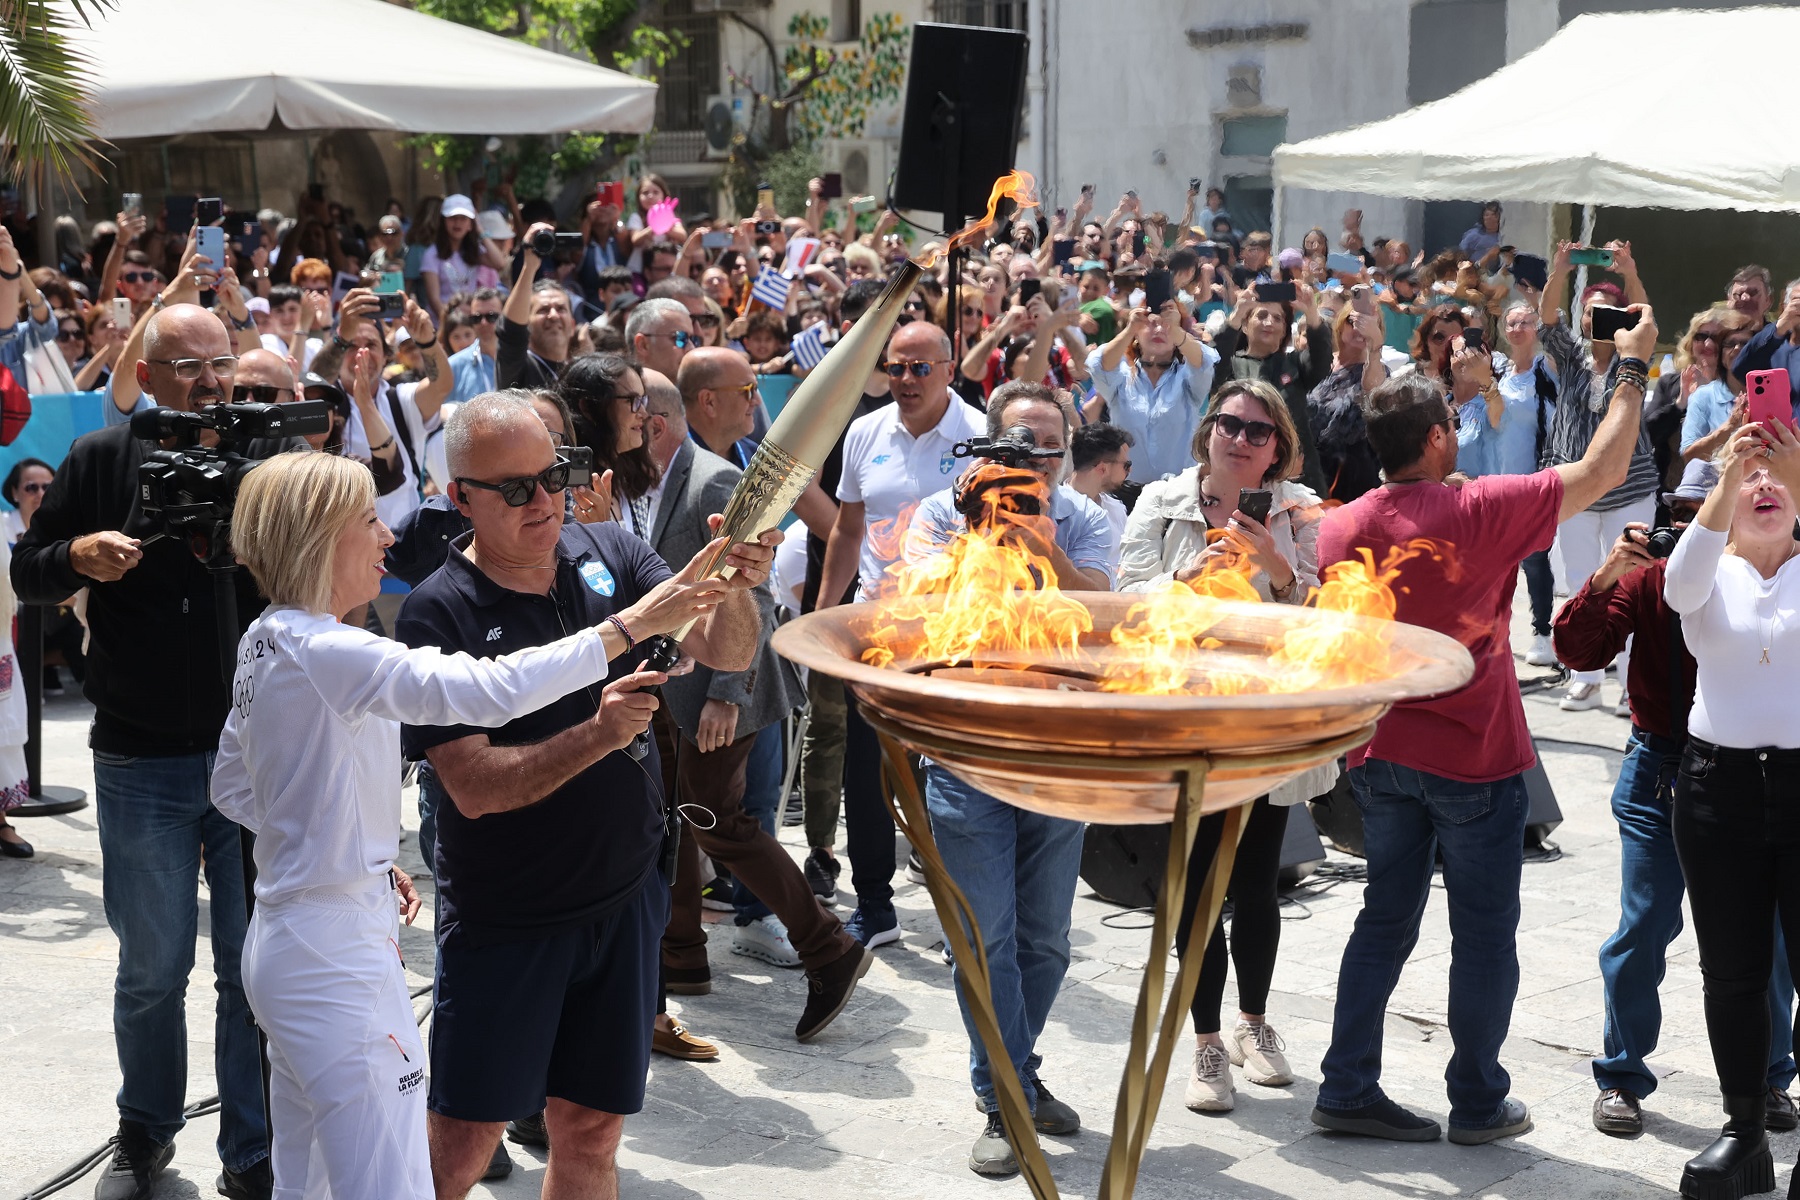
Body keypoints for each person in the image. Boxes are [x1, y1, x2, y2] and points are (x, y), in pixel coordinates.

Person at [212, 450, 726, 1200]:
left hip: (290, 938)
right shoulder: (331, 648)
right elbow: (491, 692)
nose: (386, 539)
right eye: (366, 522)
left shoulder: (265, 639)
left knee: (308, 1184)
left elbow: (233, 783)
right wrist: (630, 627)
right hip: (335, 957)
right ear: (321, 539)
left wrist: (340, 844)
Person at [394, 392, 785, 1200]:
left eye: (553, 476)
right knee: (459, 1150)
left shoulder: (607, 545)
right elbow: (470, 788)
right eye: (514, 489)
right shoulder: (439, 610)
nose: (544, 501)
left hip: (624, 900)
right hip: (510, 919)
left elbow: (727, 644)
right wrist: (600, 735)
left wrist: (739, 582)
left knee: (592, 1133)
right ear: (458, 497)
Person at [1309, 306, 1659, 1145]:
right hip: (1475, 760)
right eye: (1453, 423)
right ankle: (1475, 1101)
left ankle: (1346, 1085)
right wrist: (1634, 366)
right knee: (1483, 937)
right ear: (1435, 440)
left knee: (1383, 921)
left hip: (1382, 755)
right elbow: (1608, 464)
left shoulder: (1342, 526)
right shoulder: (1484, 509)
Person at [11, 303, 310, 1200]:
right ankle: (145, 1129)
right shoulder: (103, 459)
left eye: (221, 364)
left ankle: (251, 1151)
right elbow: (29, 569)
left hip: (252, 757)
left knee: (249, 968)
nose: (211, 382)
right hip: (140, 758)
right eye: (188, 367)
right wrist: (78, 554)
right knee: (152, 967)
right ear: (147, 371)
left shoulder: (263, 464)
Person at [1552, 459, 1799, 1142]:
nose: (1696, 527)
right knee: (1644, 925)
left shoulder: (1771, 580)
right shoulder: (1657, 579)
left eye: (1709, 513)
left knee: (1770, 939)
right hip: (1662, 769)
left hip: (1752, 778)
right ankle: (1622, 1076)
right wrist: (1605, 576)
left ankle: (1771, 1078)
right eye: (1685, 514)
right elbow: (1576, 651)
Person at [903, 382, 1110, 1176]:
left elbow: (1105, 613)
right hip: (965, 753)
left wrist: (1038, 539)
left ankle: (1012, 1072)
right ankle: (1003, 1098)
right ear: (985, 448)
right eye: (1013, 447)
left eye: (1045, 450)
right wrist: (975, 532)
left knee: (1046, 943)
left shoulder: (1086, 516)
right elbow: (913, 612)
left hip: (1059, 756)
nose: (1028, 464)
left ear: (1064, 455)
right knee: (983, 945)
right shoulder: (936, 512)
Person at [1117, 378, 1334, 1114]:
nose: (1241, 439)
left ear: (1278, 449)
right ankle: (1206, 1043)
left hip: (1262, 721)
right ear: (1208, 430)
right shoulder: (1161, 500)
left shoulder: (1299, 507)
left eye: (1259, 431)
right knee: (1196, 885)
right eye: (1230, 424)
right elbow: (1126, 598)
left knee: (1258, 881)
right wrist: (1184, 579)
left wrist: (1276, 571)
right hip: (1186, 718)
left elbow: (1319, 614)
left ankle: (1255, 1025)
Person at [648, 367, 868, 1025]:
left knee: (718, 818)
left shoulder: (713, 479)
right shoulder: (649, 482)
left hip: (725, 684)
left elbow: (755, 591)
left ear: (652, 419)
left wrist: (725, 693)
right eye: (746, 392)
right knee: (677, 810)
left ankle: (828, 947)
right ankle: (681, 950)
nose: (756, 403)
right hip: (675, 687)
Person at [1663, 418, 1800, 1200]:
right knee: (1733, 974)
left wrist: (1793, 468)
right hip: (1717, 792)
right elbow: (1678, 586)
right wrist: (1725, 477)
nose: (1763, 484)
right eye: (1748, 476)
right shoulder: (1708, 571)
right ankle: (1743, 1132)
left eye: (1776, 472)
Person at [817, 320, 986, 947]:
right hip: (878, 631)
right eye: (896, 368)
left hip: (956, 635)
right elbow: (846, 530)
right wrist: (823, 614)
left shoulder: (978, 435)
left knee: (950, 776)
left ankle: (960, 911)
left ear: (949, 369)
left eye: (921, 368)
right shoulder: (864, 432)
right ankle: (874, 905)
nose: (907, 381)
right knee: (867, 773)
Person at [1538, 242, 1660, 713]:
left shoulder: (1635, 355)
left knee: (1632, 584)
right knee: (1582, 582)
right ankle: (1586, 677)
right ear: (1583, 319)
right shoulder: (1571, 358)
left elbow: (1647, 316)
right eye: (1591, 313)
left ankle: (1633, 686)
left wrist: (1629, 271)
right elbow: (1548, 317)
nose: (1599, 320)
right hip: (1575, 490)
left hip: (1629, 490)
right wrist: (1561, 269)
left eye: (1609, 312)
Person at [1459, 301, 1560, 667]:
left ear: (1537, 327)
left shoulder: (1546, 369)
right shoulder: (1497, 368)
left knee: (1534, 560)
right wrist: (1484, 378)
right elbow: (1495, 419)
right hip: (1495, 473)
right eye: (1512, 322)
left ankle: (1542, 631)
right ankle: (1493, 628)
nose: (1518, 328)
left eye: (1526, 322)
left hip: (1531, 474)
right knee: (1494, 561)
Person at [1084, 300, 1220, 485]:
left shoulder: (1186, 378)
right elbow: (1099, 364)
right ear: (1136, 335)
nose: (1158, 330)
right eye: (1150, 323)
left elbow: (1204, 361)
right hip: (1125, 489)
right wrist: (1129, 329)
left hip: (1178, 491)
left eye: (1166, 325)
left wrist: (1176, 330)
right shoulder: (1122, 377)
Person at [1215, 281, 1330, 493]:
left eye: (1277, 319)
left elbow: (1322, 360)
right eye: (1261, 316)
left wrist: (1311, 312)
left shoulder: (1295, 364)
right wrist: (1237, 313)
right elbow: (1213, 362)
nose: (1269, 322)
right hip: (1242, 471)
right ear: (1246, 325)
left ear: (1284, 330)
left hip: (1297, 475)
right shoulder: (1230, 365)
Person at [1308, 302, 1388, 504]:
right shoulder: (1320, 362)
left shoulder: (1377, 370)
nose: (1360, 330)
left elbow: (1373, 389)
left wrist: (1374, 347)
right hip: (1308, 470)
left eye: (1371, 324)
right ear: (1341, 325)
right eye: (1354, 322)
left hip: (1351, 478)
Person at [496, 230, 576, 390]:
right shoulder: (517, 368)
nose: (553, 316)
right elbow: (511, 332)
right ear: (527, 324)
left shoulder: (579, 375)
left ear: (573, 325)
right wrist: (529, 266)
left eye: (561, 309)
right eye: (543, 310)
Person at [1680, 316, 1757, 464]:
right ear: (1721, 355)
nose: (1737, 349)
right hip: (1717, 482)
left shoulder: (1774, 391)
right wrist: (1730, 426)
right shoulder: (1703, 396)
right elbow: (1689, 456)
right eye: (1730, 344)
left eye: (1745, 344)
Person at [1732, 275, 1800, 415]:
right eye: (1796, 303)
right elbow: (1741, 369)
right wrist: (1780, 327)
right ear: (1784, 307)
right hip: (1775, 432)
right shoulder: (1772, 344)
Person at [1068, 422, 1133, 555]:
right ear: (1103, 468)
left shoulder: (1116, 508)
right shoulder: (1057, 510)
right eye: (1126, 465)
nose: (1130, 470)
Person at [446, 286, 504, 404]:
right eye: (477, 318)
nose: (483, 323)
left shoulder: (523, 359)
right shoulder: (454, 366)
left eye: (491, 317)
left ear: (504, 316)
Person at [625, 297, 696, 385]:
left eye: (693, 339)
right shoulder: (617, 395)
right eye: (680, 338)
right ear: (642, 345)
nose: (691, 348)